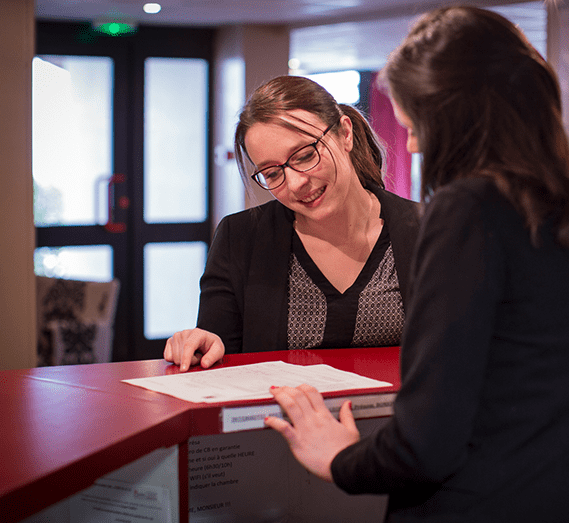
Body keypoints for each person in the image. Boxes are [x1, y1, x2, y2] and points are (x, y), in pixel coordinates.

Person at [265, 6, 569, 523]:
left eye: (417, 126)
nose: (415, 145)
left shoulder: (470, 209)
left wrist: (340, 458)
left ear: (455, 116)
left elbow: (427, 443)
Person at [164, 76, 420, 372]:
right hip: (280, 416)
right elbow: (218, 351)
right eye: (272, 174)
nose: (296, 183)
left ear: (345, 134)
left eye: (306, 155)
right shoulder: (241, 238)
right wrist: (200, 343)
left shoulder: (425, 231)